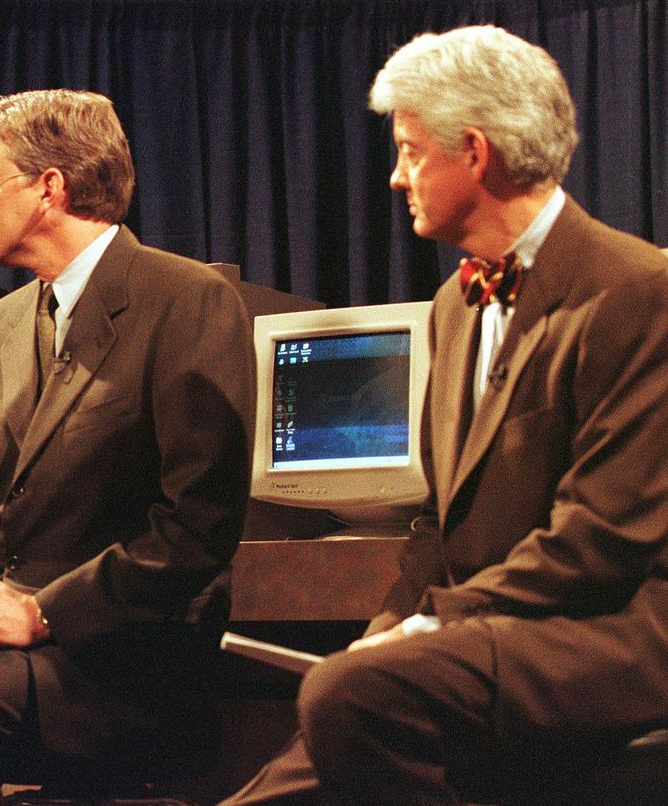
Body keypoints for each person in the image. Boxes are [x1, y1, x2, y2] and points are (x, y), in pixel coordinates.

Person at [221, 24, 668, 805]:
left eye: (411, 151)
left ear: (475, 152)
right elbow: (439, 528)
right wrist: (381, 635)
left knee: (355, 694)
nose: (397, 177)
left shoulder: (635, 289)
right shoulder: (452, 305)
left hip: (608, 632)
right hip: (480, 632)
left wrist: (433, 630)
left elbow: (602, 535)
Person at [0, 89, 255, 805]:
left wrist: (40, 614)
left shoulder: (186, 299)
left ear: (49, 188)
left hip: (124, 655)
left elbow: (198, 526)